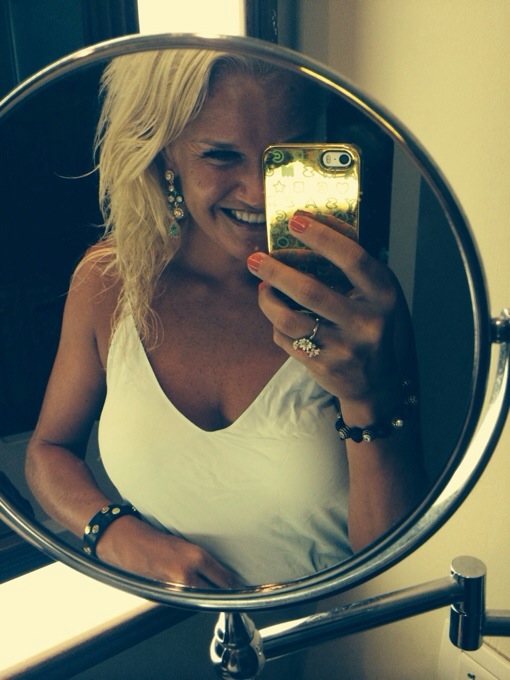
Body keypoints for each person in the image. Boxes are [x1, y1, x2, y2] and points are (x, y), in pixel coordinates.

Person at [25, 48, 426, 589]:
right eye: (220, 155)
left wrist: (368, 396)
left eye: (283, 155)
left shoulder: (357, 307)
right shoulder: (110, 282)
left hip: (333, 632)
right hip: (166, 626)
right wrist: (120, 536)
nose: (257, 192)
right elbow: (48, 451)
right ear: (165, 150)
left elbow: (393, 561)